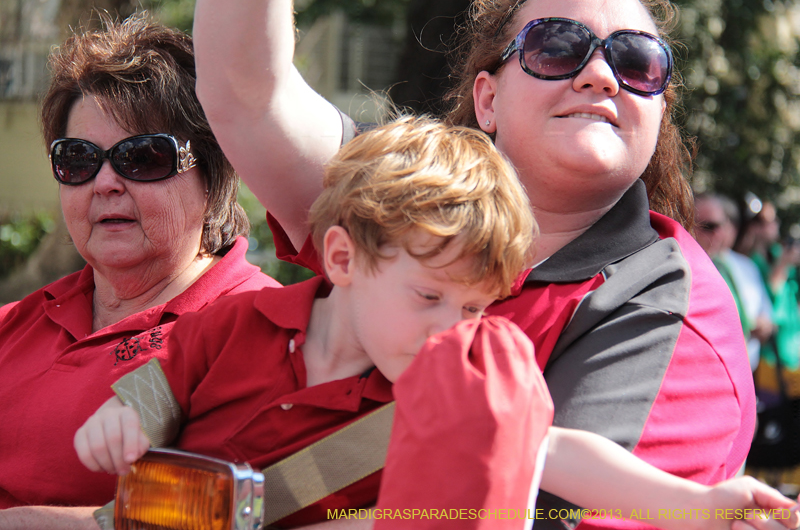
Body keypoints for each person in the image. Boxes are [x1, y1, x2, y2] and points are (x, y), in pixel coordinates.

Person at [192, 0, 756, 528]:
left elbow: (542, 487)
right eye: (556, 47)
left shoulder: (669, 312)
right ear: (487, 99)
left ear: (659, 111)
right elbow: (246, 90)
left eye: (637, 61)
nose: (601, 75)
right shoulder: (404, 197)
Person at [77, 117, 799, 530]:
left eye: (476, 307)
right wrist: (120, 422)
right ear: (343, 257)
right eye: (429, 296)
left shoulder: (446, 384)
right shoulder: (238, 320)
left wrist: (695, 505)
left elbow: (551, 450)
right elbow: (149, 394)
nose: (454, 329)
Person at [0, 12, 278, 528]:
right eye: (78, 159)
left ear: (213, 175)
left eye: (143, 157)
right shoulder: (14, 324)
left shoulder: (257, 326)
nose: (104, 182)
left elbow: (231, 515)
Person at [695, 193, 774, 371]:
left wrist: (763, 325)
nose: (719, 233)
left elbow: (767, 312)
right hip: (709, 371)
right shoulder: (683, 268)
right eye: (709, 226)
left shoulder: (746, 266)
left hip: (746, 372)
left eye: (723, 225)